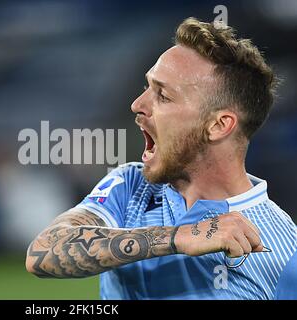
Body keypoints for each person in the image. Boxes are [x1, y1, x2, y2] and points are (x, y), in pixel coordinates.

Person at [25, 17, 297, 300]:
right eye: (147, 87)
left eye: (163, 96)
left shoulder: (285, 249)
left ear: (218, 126)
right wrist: (178, 237)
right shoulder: (130, 185)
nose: (137, 105)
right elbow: (43, 252)